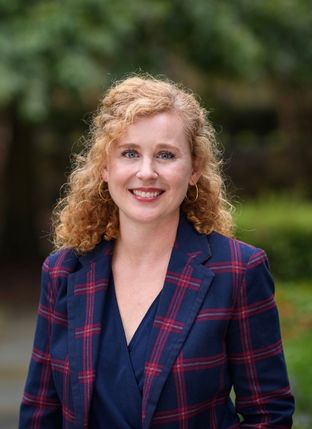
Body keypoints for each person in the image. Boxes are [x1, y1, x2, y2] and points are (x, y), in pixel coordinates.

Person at [19, 75, 294, 429]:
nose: (146, 172)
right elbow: (40, 414)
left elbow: (268, 416)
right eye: (130, 153)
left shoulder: (238, 271)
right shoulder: (63, 272)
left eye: (165, 155)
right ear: (106, 166)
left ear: (194, 169)